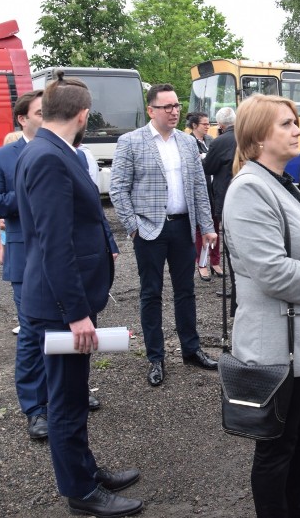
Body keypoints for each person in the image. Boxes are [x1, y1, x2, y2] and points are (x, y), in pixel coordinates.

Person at [14, 71, 142, 517]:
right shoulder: (50, 157)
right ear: (84, 115)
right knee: (66, 402)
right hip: (59, 307)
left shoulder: (48, 149)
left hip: (61, 303)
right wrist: (75, 314)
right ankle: (81, 493)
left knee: (72, 394)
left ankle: (84, 470)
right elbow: (54, 242)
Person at [223, 94, 300, 518]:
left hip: (299, 339)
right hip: (275, 343)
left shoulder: (280, 182)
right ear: (258, 137)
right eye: (286, 124)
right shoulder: (249, 189)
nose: (297, 130)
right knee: (276, 445)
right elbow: (272, 271)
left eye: (296, 121)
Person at [0, 90, 102, 441]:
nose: (43, 115)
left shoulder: (66, 151)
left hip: (57, 269)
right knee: (34, 340)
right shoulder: (19, 156)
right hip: (30, 262)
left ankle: (67, 399)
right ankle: (35, 407)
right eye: (37, 111)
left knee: (65, 362)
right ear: (23, 118)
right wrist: (35, 193)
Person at [109, 84, 219, 387]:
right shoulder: (131, 141)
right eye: (167, 106)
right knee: (151, 293)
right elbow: (118, 188)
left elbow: (199, 188)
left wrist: (207, 227)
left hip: (184, 227)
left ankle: (191, 349)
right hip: (149, 230)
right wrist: (133, 226)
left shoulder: (187, 143)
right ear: (151, 110)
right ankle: (155, 357)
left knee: (186, 291)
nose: (174, 111)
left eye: (176, 106)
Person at [202, 106, 237, 293]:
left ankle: (234, 287)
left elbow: (209, 168)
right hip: (249, 195)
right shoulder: (248, 137)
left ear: (221, 124)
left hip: (227, 197)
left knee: (231, 244)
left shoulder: (219, 142)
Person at [185, 111, 220, 281]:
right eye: (204, 124)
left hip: (213, 190)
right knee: (201, 230)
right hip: (199, 191)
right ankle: (202, 263)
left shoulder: (210, 141)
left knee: (215, 224)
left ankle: (215, 261)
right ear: (194, 126)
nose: (208, 126)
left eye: (208, 123)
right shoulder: (188, 142)